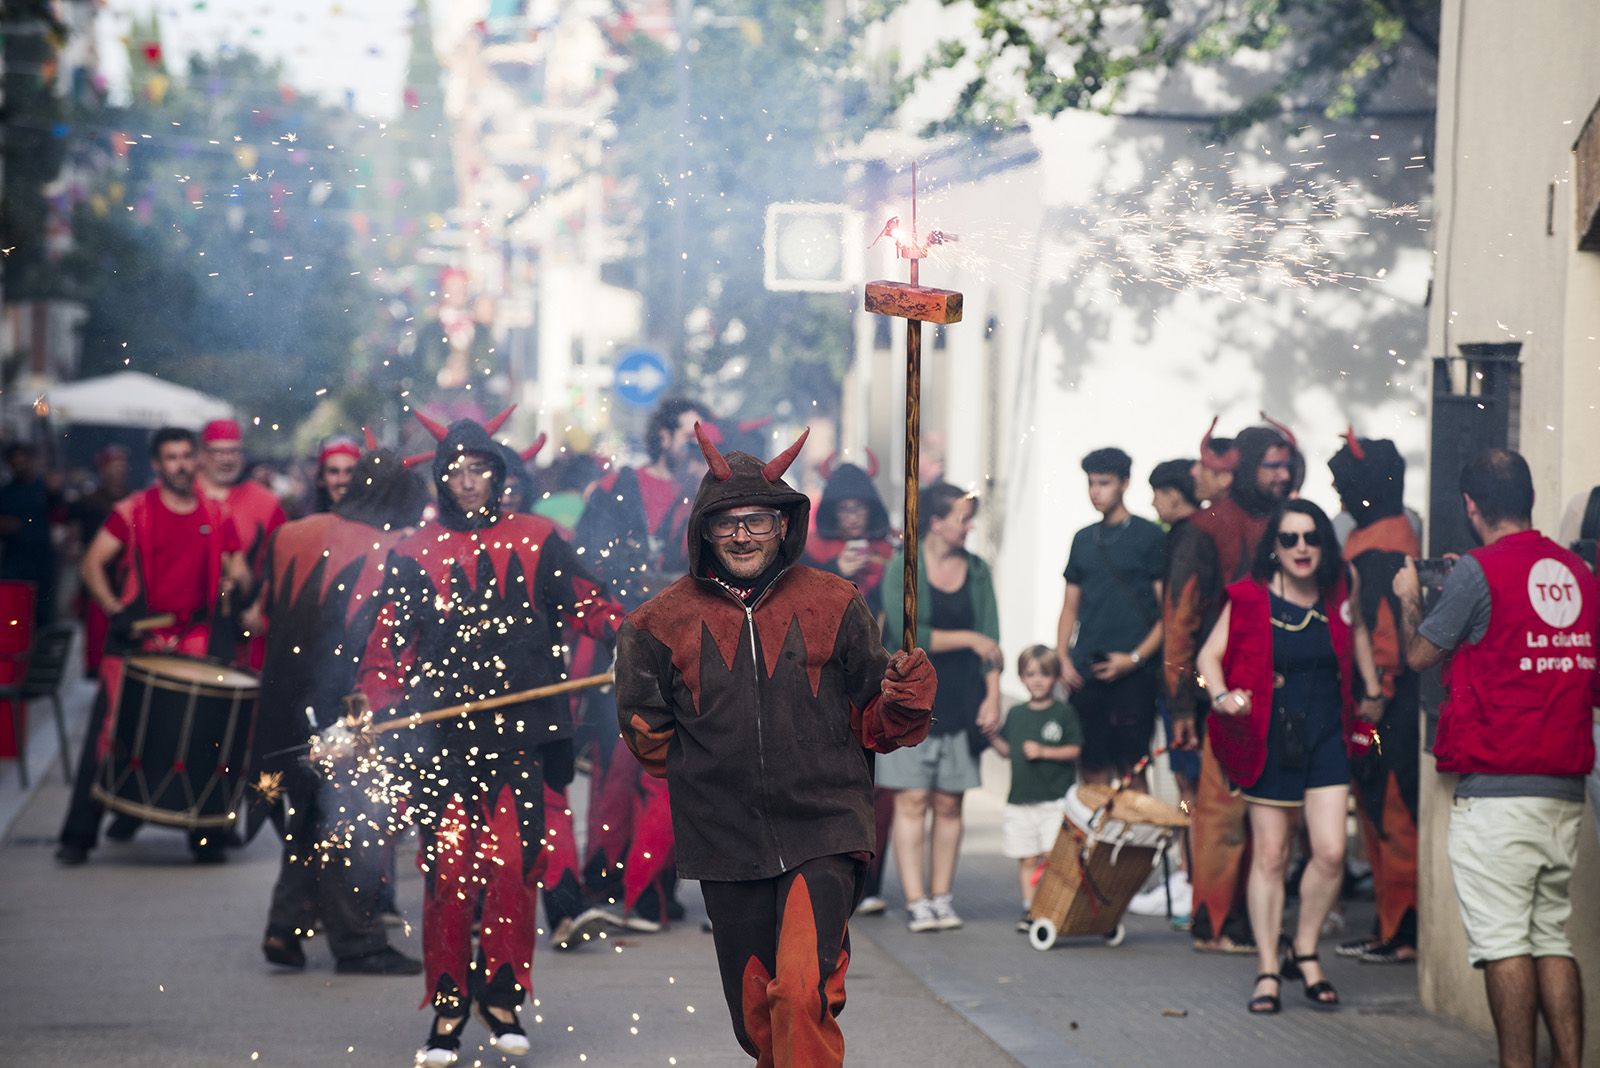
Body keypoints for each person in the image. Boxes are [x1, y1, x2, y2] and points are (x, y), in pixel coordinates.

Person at [614, 424, 936, 1066]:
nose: (742, 535)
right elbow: (647, 735)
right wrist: (707, 778)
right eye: (727, 522)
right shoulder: (654, 625)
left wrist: (905, 695)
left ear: (784, 526)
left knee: (800, 993)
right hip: (724, 839)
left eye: (758, 521)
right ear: (703, 530)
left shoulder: (836, 602)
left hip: (825, 826)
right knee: (758, 1013)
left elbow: (880, 720)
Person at [358, 406, 624, 1066]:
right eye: (458, 470)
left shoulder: (538, 536)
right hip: (443, 741)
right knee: (448, 873)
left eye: (481, 470)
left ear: (500, 476)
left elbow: (591, 606)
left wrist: (637, 630)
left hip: (523, 739)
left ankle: (502, 997)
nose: (469, 481)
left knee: (512, 868)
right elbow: (388, 644)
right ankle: (447, 1007)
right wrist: (380, 705)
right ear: (441, 479)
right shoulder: (414, 550)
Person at [1393, 448, 1599, 1068]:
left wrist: (1411, 597)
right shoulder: (1580, 574)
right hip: (1563, 786)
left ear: (1470, 507)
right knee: (1549, 938)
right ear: (1530, 500)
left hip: (1498, 788)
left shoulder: (1475, 573)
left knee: (1505, 942)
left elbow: (1421, 657)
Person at [1197, 499, 1384, 1014]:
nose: (1301, 548)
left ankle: (1304, 951)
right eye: (1289, 539)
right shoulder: (1250, 597)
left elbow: (1360, 630)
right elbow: (1206, 657)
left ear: (1323, 543)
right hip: (1271, 734)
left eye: (1311, 538)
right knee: (1272, 855)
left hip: (1329, 731)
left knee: (1328, 853)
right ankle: (1266, 967)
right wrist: (1220, 695)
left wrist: (1371, 687)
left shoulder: (1341, 584)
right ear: (1274, 548)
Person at [255, 447, 428, 976]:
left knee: (310, 815)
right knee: (350, 822)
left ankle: (285, 928)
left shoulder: (291, 533)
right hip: (342, 705)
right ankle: (357, 943)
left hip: (279, 702)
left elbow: (266, 611)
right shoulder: (386, 550)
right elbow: (377, 643)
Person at [57, 427, 247, 865]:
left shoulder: (216, 514)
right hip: (140, 634)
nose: (180, 464)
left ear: (195, 460)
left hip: (195, 636)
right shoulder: (132, 511)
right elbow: (91, 564)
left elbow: (237, 569)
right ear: (157, 465)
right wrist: (111, 607)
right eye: (171, 458)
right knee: (106, 733)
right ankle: (77, 837)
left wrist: (237, 583)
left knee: (206, 731)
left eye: (186, 456)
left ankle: (209, 838)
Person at [572, 396, 712, 929]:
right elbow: (589, 561)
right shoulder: (616, 488)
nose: (693, 445)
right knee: (615, 769)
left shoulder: (704, 496)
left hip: (681, 650)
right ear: (661, 436)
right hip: (621, 645)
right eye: (686, 434)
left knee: (666, 772)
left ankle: (652, 885)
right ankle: (605, 877)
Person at [1164, 418, 1294, 953]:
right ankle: (1214, 921)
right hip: (1219, 693)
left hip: (1279, 694)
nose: (1282, 476)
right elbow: (1181, 619)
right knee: (1220, 814)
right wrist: (1181, 706)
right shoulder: (1206, 526)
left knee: (1270, 815)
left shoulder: (1291, 522)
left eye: (1287, 465)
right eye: (1271, 465)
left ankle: (1250, 918)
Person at [879, 482, 1000, 932]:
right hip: (912, 702)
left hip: (962, 698)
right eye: (962, 518)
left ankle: (942, 896)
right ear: (935, 520)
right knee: (911, 799)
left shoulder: (979, 570)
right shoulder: (903, 569)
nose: (968, 527)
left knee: (950, 803)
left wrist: (993, 695)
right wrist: (970, 639)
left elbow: (993, 636)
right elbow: (911, 637)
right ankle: (916, 900)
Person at [1328, 429, 1422, 965]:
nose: (1340, 497)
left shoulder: (1382, 546)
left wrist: (1374, 694)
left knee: (1391, 817)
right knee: (1380, 818)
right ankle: (1393, 927)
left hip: (1381, 708)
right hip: (1378, 705)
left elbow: (1383, 634)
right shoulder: (1388, 534)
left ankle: (1403, 931)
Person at [804, 451, 898, 916]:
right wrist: (839, 571)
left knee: (879, 791)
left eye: (859, 508)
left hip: (877, 686)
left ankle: (872, 880)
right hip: (825, 686)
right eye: (845, 509)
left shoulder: (893, 554)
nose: (852, 516)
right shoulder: (810, 554)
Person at [1056, 447, 1165, 787]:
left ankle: (1137, 842)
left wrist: (1134, 659)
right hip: (1087, 669)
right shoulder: (1083, 539)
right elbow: (1069, 607)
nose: (1095, 491)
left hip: (1135, 673)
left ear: (1125, 483)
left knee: (1133, 768)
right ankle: (1100, 840)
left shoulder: (1150, 536)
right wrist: (1062, 657)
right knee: (1091, 766)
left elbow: (1169, 614)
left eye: (1104, 483)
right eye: (1091, 483)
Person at [988, 645, 1080, 930]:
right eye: (1031, 674)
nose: (1037, 680)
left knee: (1052, 857)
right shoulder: (1015, 713)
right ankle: (1030, 909)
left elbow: (1075, 750)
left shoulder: (1062, 712)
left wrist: (1044, 751)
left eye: (1045, 674)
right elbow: (1007, 750)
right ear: (1021, 678)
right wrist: (990, 737)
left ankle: (1053, 905)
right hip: (1020, 801)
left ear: (1055, 678)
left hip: (1053, 801)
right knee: (1026, 857)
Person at [197, 418, 286, 668]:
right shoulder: (183, 496)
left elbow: (280, 562)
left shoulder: (266, 502)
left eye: (233, 451)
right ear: (203, 455)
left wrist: (261, 606)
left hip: (241, 628)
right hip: (189, 627)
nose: (227, 459)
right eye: (219, 452)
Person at [1148, 458, 1202, 800]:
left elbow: (1177, 614)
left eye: (1157, 493)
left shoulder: (1189, 539)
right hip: (1189, 677)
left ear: (1173, 494)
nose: (1153, 503)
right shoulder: (1200, 533)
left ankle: (1191, 855)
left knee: (1190, 783)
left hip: (1184, 680)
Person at [68, 445, 131, 677]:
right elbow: (73, 534)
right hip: (97, 572)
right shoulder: (88, 501)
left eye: (121, 467)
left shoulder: (133, 500)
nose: (117, 471)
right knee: (96, 629)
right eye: (112, 467)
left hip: (124, 576)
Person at [0, 443, 59, 624]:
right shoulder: (5, 493)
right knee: (14, 614)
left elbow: (61, 513)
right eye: (15, 462)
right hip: (14, 562)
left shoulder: (45, 489)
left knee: (42, 616)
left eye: (23, 460)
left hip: (42, 562)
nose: (20, 465)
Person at [311, 434, 362, 512]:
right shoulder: (309, 523)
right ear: (321, 479)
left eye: (350, 471)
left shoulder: (377, 521)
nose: (342, 480)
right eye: (334, 472)